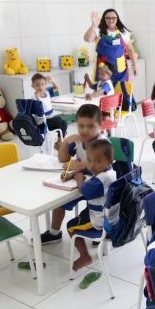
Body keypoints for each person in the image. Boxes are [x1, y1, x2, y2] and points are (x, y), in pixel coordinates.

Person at [41, 104, 107, 245]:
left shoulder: (102, 144)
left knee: (96, 207)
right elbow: (62, 159)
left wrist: (78, 167)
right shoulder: (79, 142)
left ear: (100, 126)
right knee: (59, 202)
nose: (85, 131)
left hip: (98, 188)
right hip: (80, 182)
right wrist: (66, 142)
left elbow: (99, 166)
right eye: (81, 126)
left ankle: (100, 229)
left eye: (90, 126)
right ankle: (54, 233)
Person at [66, 139, 117, 271]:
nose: (93, 165)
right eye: (90, 160)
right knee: (82, 215)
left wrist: (78, 179)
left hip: (99, 221)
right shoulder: (110, 173)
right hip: (108, 215)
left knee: (70, 226)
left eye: (98, 161)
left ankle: (84, 256)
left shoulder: (101, 179)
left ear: (109, 162)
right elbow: (93, 177)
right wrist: (77, 174)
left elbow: (85, 191)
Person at [83, 9, 138, 84]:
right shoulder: (99, 30)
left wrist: (134, 66)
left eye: (113, 18)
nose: (111, 20)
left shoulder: (123, 32)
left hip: (120, 72)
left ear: (117, 19)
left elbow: (130, 50)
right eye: (108, 18)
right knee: (104, 93)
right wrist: (93, 25)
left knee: (121, 94)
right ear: (104, 19)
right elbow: (87, 39)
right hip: (103, 71)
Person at [31, 73, 67, 138]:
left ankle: (59, 142)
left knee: (64, 124)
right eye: (37, 85)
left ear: (45, 84)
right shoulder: (34, 97)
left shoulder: (47, 92)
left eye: (42, 84)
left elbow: (57, 87)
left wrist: (52, 81)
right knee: (59, 120)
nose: (40, 87)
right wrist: (38, 97)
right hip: (42, 124)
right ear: (33, 86)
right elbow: (37, 108)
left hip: (50, 120)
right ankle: (60, 141)